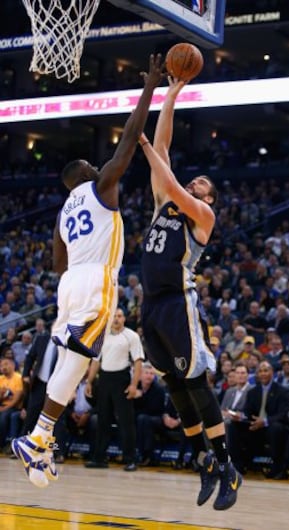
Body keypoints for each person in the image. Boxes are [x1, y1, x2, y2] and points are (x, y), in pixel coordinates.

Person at [11, 54, 163, 489]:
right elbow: (129, 141)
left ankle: (38, 439)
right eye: (97, 169)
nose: (103, 170)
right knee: (75, 367)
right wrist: (149, 87)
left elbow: (56, 263)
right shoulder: (99, 186)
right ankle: (39, 436)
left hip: (69, 283)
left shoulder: (62, 211)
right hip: (97, 280)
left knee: (74, 365)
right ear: (89, 174)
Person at [138, 77, 241, 511]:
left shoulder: (202, 214)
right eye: (194, 179)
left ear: (210, 197)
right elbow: (164, 149)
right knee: (175, 389)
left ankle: (227, 468)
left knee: (196, 384)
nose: (196, 180)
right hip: (151, 304)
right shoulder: (167, 204)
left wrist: (147, 150)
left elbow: (167, 172)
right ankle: (203, 461)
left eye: (203, 182)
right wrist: (171, 96)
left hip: (180, 302)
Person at [84, 307, 144, 471]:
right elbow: (96, 361)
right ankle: (99, 458)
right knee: (102, 420)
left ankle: (130, 459)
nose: (117, 319)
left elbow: (138, 362)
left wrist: (133, 385)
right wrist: (89, 382)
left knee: (126, 422)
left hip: (122, 379)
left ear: (124, 319)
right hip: (104, 379)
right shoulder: (101, 336)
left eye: (119, 316)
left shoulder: (131, 336)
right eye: (114, 316)